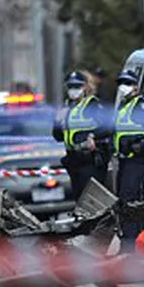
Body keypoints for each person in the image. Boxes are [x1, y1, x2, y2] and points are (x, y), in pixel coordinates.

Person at [112, 69, 144, 252]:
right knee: (126, 201)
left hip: (137, 160)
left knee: (129, 201)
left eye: (126, 83)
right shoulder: (123, 106)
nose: (122, 87)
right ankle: (135, 241)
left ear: (135, 86)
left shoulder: (141, 106)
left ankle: (129, 246)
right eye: (120, 83)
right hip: (124, 161)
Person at [52, 70, 110, 199]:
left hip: (89, 160)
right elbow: (58, 137)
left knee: (90, 198)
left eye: (77, 86)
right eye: (70, 87)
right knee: (78, 198)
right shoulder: (65, 108)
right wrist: (57, 121)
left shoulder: (92, 105)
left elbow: (108, 128)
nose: (73, 90)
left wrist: (92, 136)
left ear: (85, 87)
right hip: (73, 159)